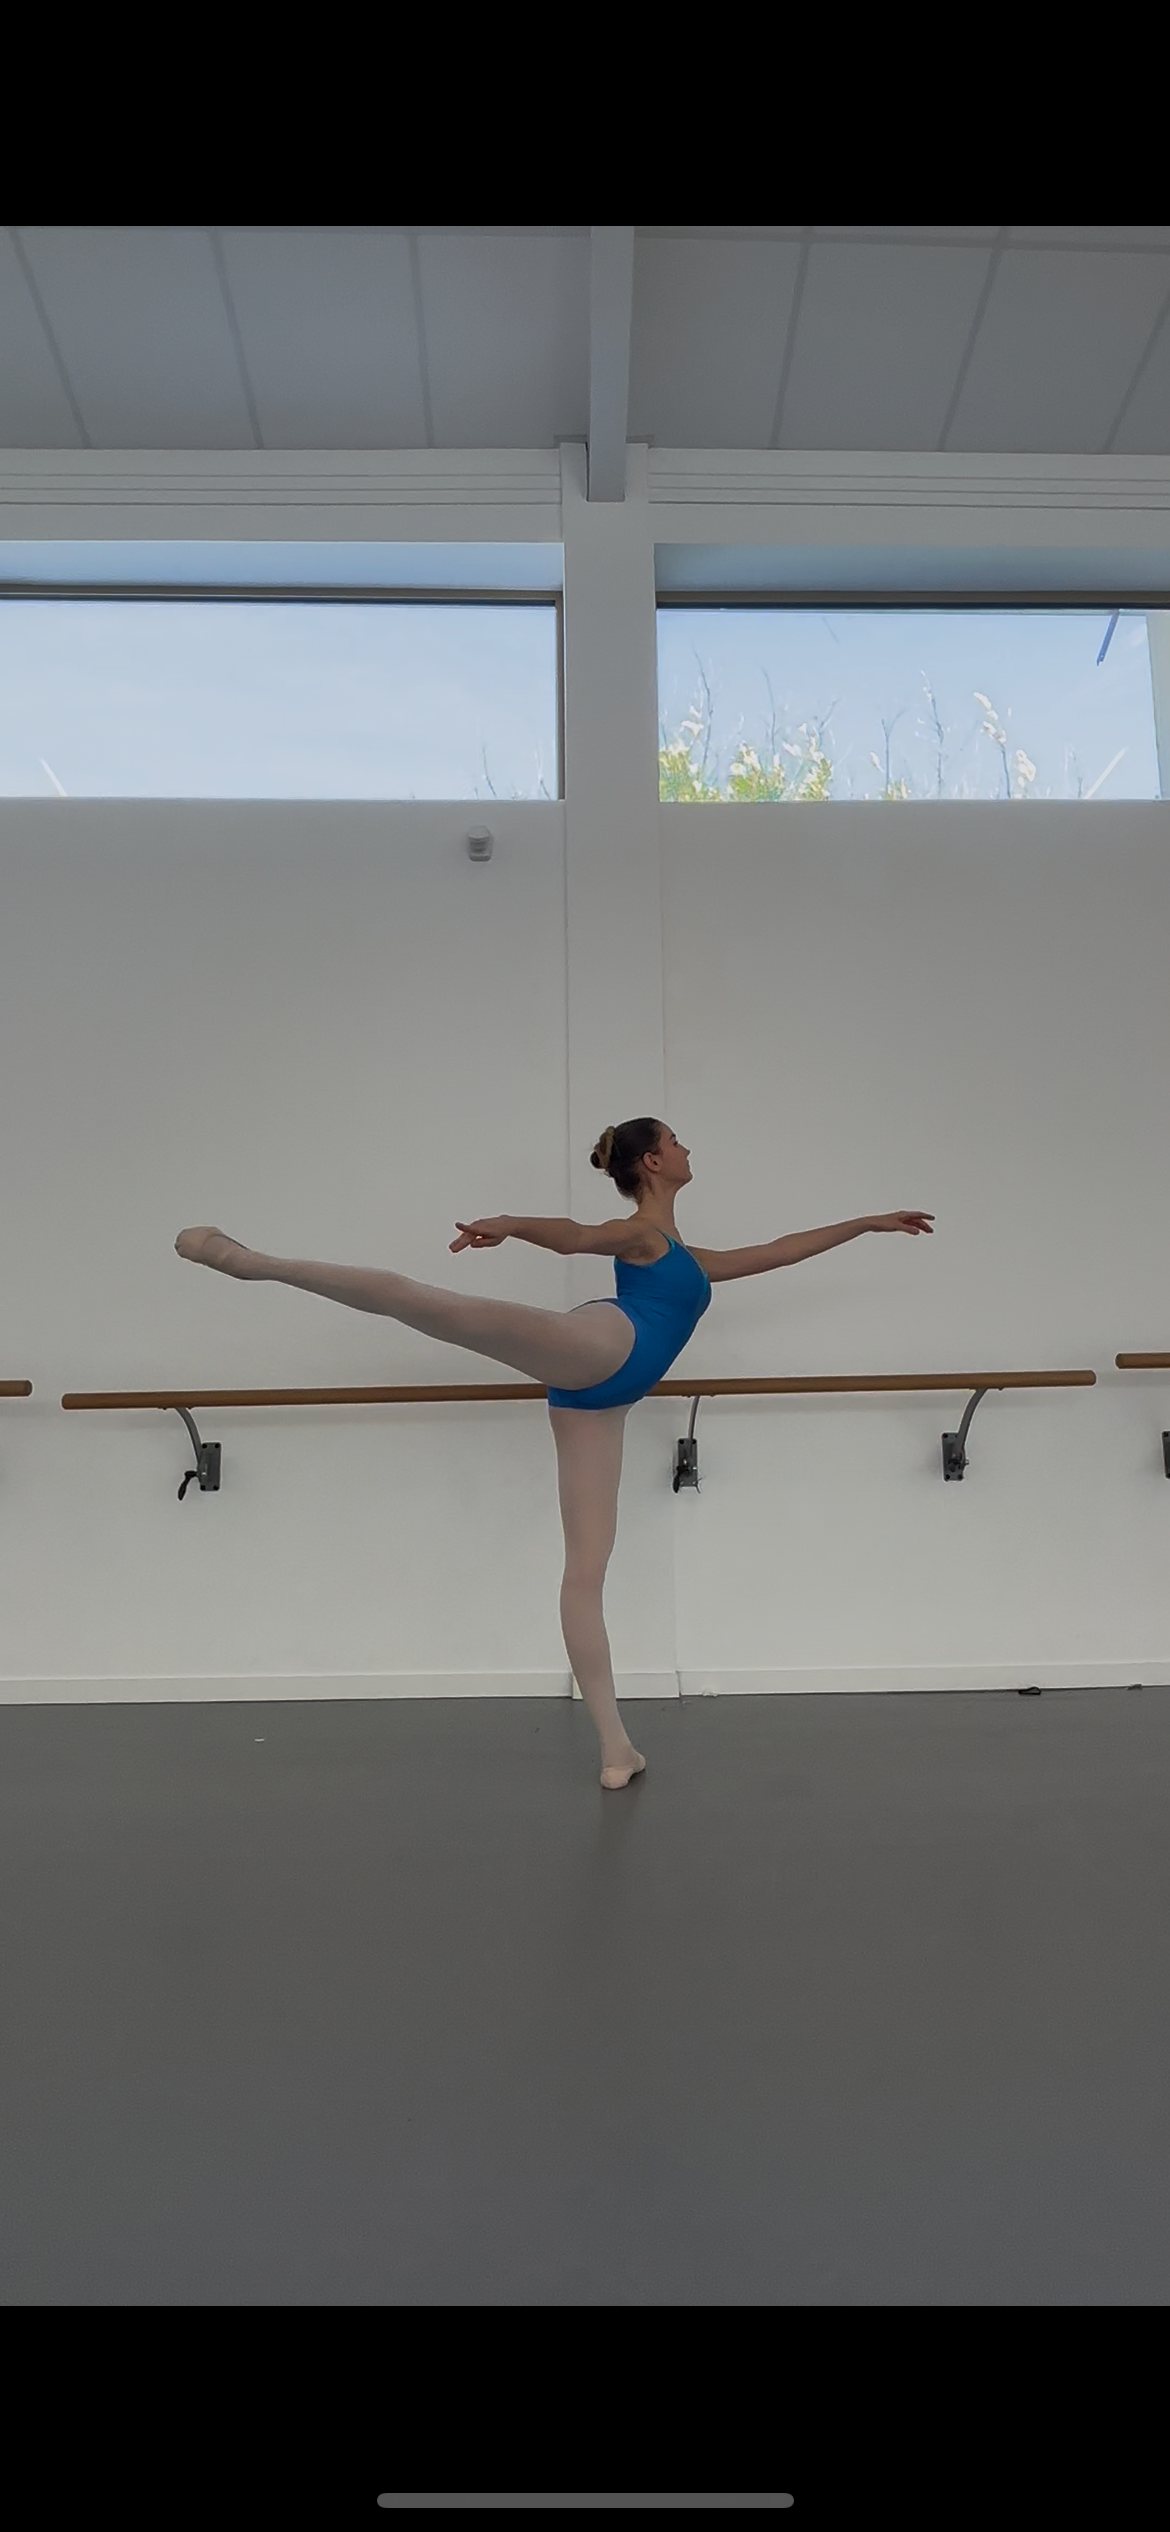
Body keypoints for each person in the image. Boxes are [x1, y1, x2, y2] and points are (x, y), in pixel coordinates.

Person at [176, 1120, 932, 1789]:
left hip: (601, 1403)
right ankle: (250, 1262)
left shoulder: (688, 1254)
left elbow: (777, 1252)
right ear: (653, 1162)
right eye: (676, 1140)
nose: (687, 1148)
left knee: (586, 1571)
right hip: (603, 1346)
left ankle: (616, 1748)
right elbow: (576, 1236)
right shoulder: (641, 1235)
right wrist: (509, 1225)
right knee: (435, 1306)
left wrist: (866, 1223)